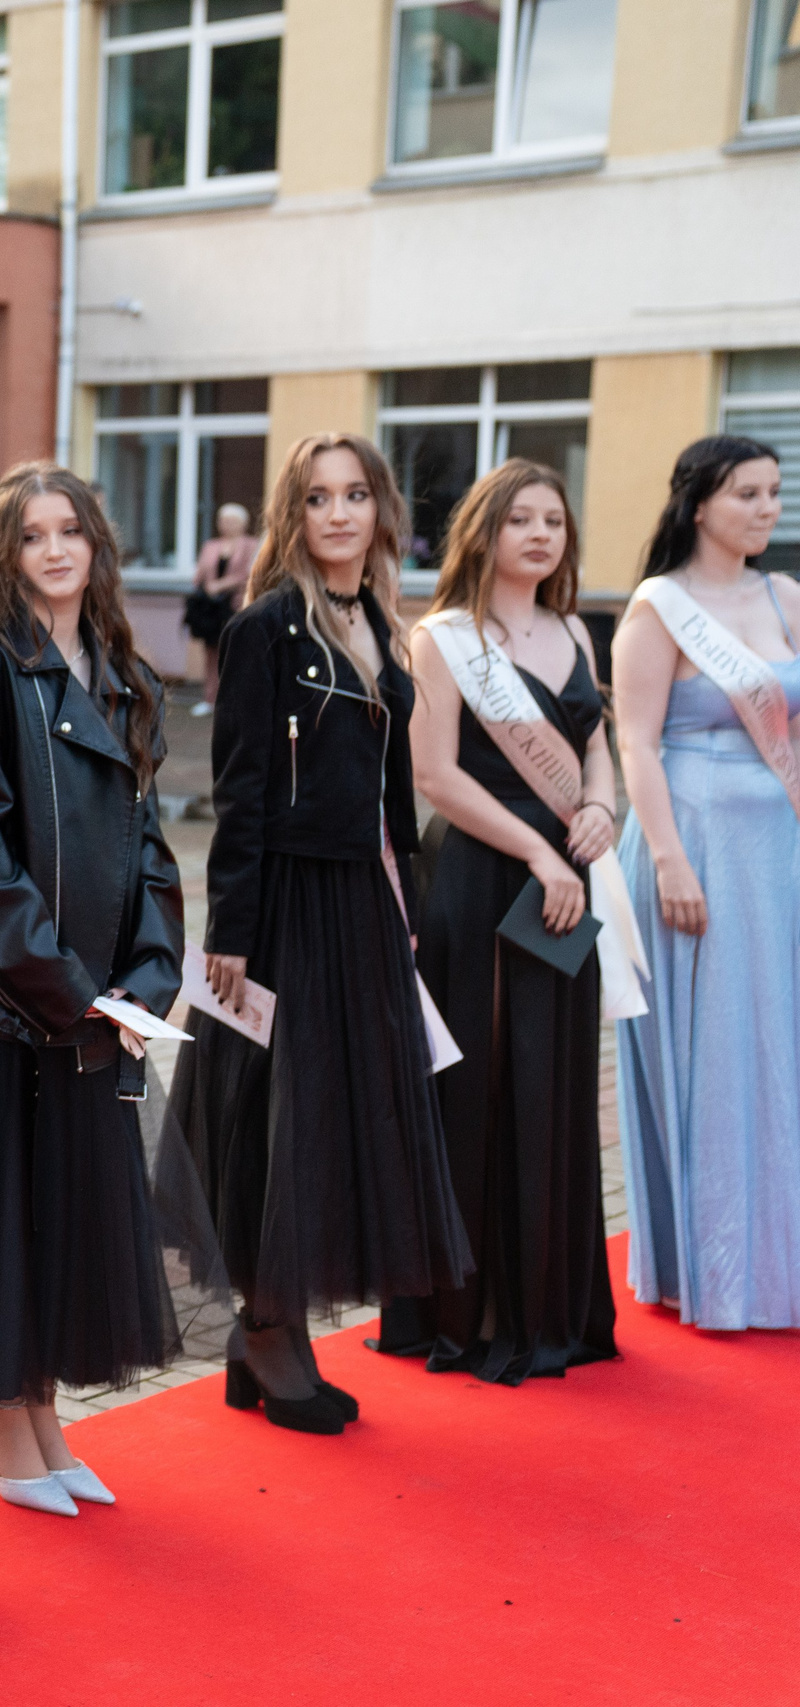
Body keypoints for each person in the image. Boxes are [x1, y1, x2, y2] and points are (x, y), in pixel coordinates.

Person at [0, 462, 207, 1515]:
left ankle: (41, 1421)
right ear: (5, 554)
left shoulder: (122, 671)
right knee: (0, 1226)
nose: (55, 550)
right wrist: (67, 986)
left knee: (60, 1225)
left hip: (87, 1014)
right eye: (31, 535)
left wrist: (147, 978)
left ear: (96, 545)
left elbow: (151, 849)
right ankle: (0, 1426)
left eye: (70, 529)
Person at [166, 431, 469, 1435]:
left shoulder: (384, 623)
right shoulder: (262, 631)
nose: (337, 514)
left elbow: (391, 799)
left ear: (379, 509)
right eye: (316, 498)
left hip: (363, 909)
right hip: (286, 908)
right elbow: (240, 791)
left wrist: (408, 916)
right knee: (275, 1124)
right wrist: (233, 935)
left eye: (354, 496)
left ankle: (271, 1333)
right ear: (292, 518)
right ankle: (265, 1330)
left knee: (334, 1119)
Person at [375, 459, 620, 1383]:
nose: (540, 534)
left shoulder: (575, 631)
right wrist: (540, 849)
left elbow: (598, 747)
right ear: (483, 530)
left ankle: (550, 1303)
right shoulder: (441, 638)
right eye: (520, 518)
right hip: (483, 878)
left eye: (553, 519)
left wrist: (599, 809)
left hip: (568, 878)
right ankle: (471, 1312)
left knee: (553, 1080)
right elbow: (433, 776)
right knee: (481, 1084)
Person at [613, 435, 797, 1330]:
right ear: (699, 504)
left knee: (780, 1049)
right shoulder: (660, 608)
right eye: (749, 495)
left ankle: (779, 1257)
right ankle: (718, 1267)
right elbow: (636, 743)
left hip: (779, 847)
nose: (768, 509)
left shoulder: (786, 596)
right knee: (719, 1052)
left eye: (773, 493)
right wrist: (671, 854)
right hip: (694, 843)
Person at [185, 502, 256, 715]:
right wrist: (204, 585)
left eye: (232, 521)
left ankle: (238, 699)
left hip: (238, 606)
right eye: (223, 520)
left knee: (238, 651)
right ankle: (210, 698)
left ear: (243, 524)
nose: (227, 525)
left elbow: (250, 573)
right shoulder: (211, 546)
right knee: (211, 651)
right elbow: (200, 574)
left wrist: (221, 585)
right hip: (212, 610)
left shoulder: (251, 545)